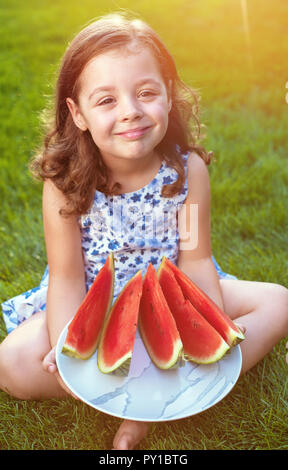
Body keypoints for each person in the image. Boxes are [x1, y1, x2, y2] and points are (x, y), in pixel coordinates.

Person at [0, 12, 287, 451]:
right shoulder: (64, 183)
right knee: (11, 363)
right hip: (93, 301)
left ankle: (162, 389)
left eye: (146, 93)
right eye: (106, 100)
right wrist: (67, 348)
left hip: (173, 297)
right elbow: (66, 277)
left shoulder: (186, 170)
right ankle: (156, 395)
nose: (131, 112)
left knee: (279, 302)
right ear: (77, 114)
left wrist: (205, 328)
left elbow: (195, 258)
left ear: (169, 98)